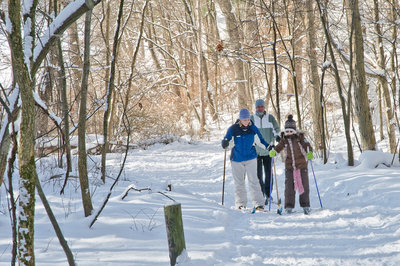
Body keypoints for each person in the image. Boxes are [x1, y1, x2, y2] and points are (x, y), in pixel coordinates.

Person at [221, 108, 270, 210]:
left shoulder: (253, 128)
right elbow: (228, 143)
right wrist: (224, 143)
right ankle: (240, 204)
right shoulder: (233, 129)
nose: (246, 122)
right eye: (244, 120)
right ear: (240, 119)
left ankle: (259, 204)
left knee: (254, 181)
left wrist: (268, 146)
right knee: (239, 182)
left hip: (251, 158)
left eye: (248, 119)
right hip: (236, 159)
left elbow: (260, 141)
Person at [269, 115, 314, 215]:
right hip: (289, 167)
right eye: (287, 131)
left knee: (304, 186)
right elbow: (279, 147)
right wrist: (274, 152)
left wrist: (309, 153)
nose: (289, 133)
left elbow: (308, 147)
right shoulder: (284, 140)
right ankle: (289, 206)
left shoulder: (300, 139)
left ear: (294, 131)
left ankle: (305, 205)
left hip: (302, 166)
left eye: (291, 131)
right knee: (289, 187)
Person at [250, 99, 281, 204]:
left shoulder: (270, 118)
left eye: (261, 106)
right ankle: (262, 194)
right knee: (258, 175)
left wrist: (277, 136)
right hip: (256, 151)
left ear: (264, 107)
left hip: (269, 150)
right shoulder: (252, 118)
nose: (260, 108)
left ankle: (268, 195)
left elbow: (277, 129)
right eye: (258, 106)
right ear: (256, 108)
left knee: (269, 174)